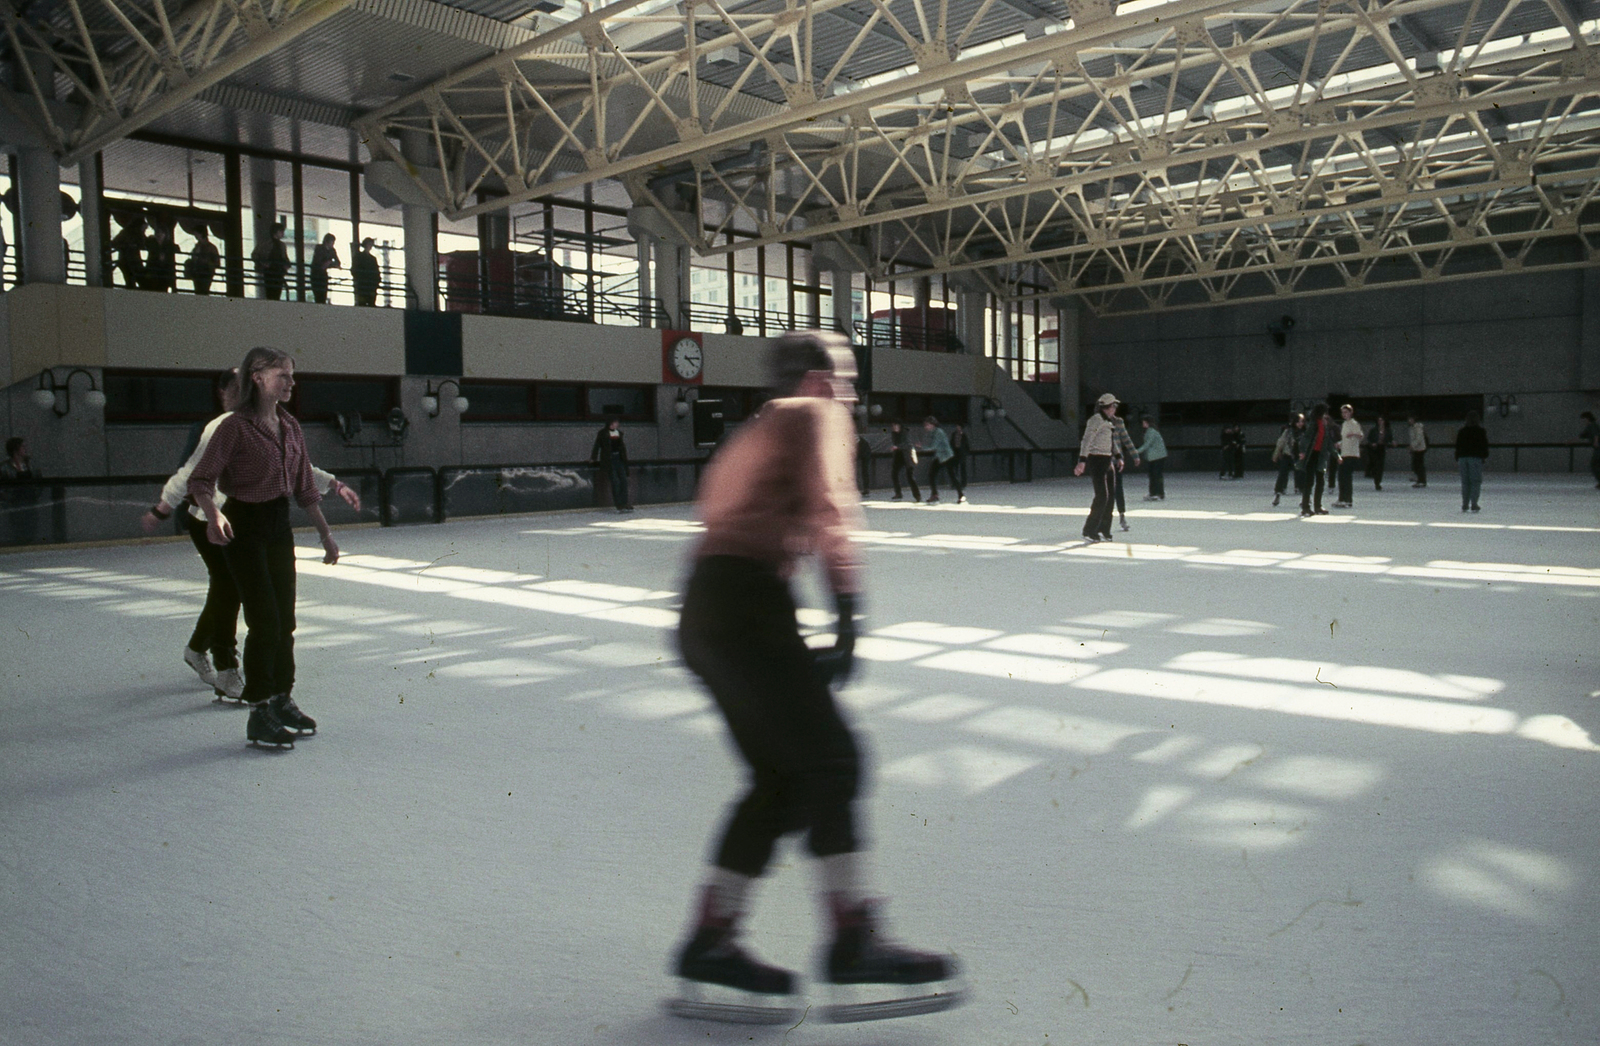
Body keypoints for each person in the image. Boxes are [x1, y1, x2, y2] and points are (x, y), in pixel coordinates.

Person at [669, 330, 957, 1024]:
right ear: (819, 380)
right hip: (748, 609)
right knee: (832, 763)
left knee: (780, 783)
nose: (849, 395)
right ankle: (851, 938)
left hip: (710, 611)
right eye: (845, 380)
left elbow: (729, 518)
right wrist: (850, 615)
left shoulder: (756, 429)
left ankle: (712, 939)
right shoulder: (813, 417)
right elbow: (832, 513)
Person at [142, 373, 360, 701]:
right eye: (235, 389)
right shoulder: (223, 426)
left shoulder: (267, 425)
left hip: (247, 523)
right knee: (230, 589)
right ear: (223, 393)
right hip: (209, 521)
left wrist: (334, 483)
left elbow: (296, 466)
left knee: (233, 589)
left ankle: (198, 648)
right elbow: (188, 474)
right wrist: (160, 510)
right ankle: (226, 668)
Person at [187, 347, 339, 748]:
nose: (291, 383)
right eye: (283, 376)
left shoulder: (289, 426)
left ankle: (282, 698)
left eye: (292, 375)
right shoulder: (234, 427)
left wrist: (325, 534)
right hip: (245, 526)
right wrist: (215, 515)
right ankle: (258, 711)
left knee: (285, 621)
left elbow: (305, 487)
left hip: (278, 525)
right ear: (257, 378)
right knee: (264, 622)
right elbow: (201, 480)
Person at [1074, 392, 1122, 541]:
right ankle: (1089, 530)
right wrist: (1082, 460)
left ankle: (1103, 528)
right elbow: (1086, 440)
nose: (1115, 408)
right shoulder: (1095, 420)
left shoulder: (1108, 421)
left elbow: (1110, 442)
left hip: (1108, 461)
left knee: (1111, 496)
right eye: (1113, 406)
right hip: (1097, 460)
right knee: (1102, 496)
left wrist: (1118, 456)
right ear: (1107, 407)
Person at [2, 436, 42, 543]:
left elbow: (39, 482)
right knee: (18, 528)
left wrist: (36, 495)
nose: (25, 449)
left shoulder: (31, 465)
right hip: (15, 503)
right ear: (16, 449)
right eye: (23, 447)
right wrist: (8, 498)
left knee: (32, 528)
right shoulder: (5, 468)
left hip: (31, 501)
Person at [1298, 403, 1333, 517]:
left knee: (1320, 481)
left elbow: (1328, 441)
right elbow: (1306, 438)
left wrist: (1335, 454)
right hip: (1312, 454)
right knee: (1309, 481)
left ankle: (1317, 506)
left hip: (1321, 455)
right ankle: (1305, 507)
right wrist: (1302, 451)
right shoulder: (1313, 424)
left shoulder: (1324, 424)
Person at [591, 418, 632, 512]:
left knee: (623, 481)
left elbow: (622, 448)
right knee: (615, 482)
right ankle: (619, 504)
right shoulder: (603, 433)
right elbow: (597, 446)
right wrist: (593, 457)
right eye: (615, 422)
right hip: (609, 460)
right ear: (611, 423)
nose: (617, 424)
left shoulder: (619, 433)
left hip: (619, 458)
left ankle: (624, 502)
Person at [1109, 407, 1140, 531]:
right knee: (1104, 491)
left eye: (1114, 408)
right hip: (1103, 461)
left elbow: (1126, 439)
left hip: (1116, 461)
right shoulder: (1098, 421)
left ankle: (1122, 516)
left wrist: (1135, 455)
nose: (1113, 410)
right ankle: (1103, 520)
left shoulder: (1118, 422)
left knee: (1118, 489)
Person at [916, 416, 957, 504]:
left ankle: (960, 495)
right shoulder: (933, 433)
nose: (925, 427)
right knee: (932, 474)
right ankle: (935, 495)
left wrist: (922, 447)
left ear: (932, 425)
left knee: (951, 476)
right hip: (940, 456)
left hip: (946, 456)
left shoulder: (938, 432)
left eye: (927, 425)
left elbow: (933, 446)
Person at [1455, 410, 1489, 512]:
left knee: (1465, 482)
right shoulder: (1481, 431)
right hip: (1475, 458)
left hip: (1462, 458)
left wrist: (1458, 457)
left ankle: (1465, 504)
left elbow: (1458, 445)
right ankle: (1474, 504)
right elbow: (1484, 445)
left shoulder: (1462, 431)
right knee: (1475, 482)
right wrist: (1484, 456)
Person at [1272, 413, 1304, 507]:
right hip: (1288, 455)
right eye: (1298, 422)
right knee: (1282, 473)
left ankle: (1303, 495)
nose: (1300, 424)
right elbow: (1280, 443)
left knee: (1300, 475)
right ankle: (1279, 492)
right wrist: (1276, 454)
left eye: (1302, 421)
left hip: (1299, 456)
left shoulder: (1304, 432)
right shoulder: (1288, 431)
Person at [1333, 404, 1361, 508]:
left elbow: (1360, 435)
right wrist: (1339, 444)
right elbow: (1344, 438)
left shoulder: (1354, 423)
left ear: (1350, 412)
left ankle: (1348, 500)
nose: (1344, 414)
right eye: (1342, 412)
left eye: (1346, 412)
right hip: (1344, 453)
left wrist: (1353, 434)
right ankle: (1341, 498)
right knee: (1341, 477)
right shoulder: (1344, 424)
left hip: (1351, 454)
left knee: (1347, 477)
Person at [253, 222, 290, 300]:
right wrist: (263, 263)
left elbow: (285, 258)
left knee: (275, 293)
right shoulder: (266, 244)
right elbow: (255, 255)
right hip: (270, 271)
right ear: (276, 232)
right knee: (271, 292)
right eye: (281, 231)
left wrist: (287, 265)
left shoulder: (281, 245)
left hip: (278, 271)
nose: (282, 233)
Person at [889, 421, 920, 502]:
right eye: (893, 426)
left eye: (895, 425)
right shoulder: (894, 434)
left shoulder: (905, 433)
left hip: (907, 456)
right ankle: (898, 493)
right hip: (898, 456)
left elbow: (908, 444)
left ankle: (917, 495)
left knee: (910, 476)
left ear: (899, 426)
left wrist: (897, 447)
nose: (894, 428)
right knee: (894, 474)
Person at [1136, 416, 1167, 500]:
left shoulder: (1151, 432)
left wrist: (1136, 451)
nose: (1143, 424)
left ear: (1148, 423)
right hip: (1156, 456)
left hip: (1156, 457)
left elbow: (1147, 444)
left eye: (1144, 422)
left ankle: (1156, 493)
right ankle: (1156, 493)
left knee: (1155, 475)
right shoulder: (1150, 431)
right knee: (1155, 475)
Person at [184, 228, 221, 296]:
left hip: (206, 272)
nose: (195, 236)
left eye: (197, 234)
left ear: (201, 234)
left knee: (203, 290)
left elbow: (216, 261)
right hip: (197, 272)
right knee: (198, 290)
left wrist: (205, 261)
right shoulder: (198, 246)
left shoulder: (210, 247)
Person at [310, 233, 341, 304]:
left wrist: (329, 263)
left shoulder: (332, 250)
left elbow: (338, 263)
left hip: (323, 274)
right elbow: (319, 262)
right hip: (316, 274)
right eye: (332, 242)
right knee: (318, 295)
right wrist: (329, 263)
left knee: (323, 294)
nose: (333, 244)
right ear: (327, 241)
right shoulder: (319, 248)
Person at [352, 237, 381, 306]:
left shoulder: (371, 258)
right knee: (364, 303)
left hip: (368, 284)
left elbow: (376, 271)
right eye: (369, 244)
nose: (370, 246)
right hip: (364, 284)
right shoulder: (361, 257)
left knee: (369, 303)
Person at [1365, 415, 1391, 491]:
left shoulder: (1387, 430)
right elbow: (1369, 439)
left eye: (1381, 420)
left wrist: (1390, 442)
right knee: (1375, 464)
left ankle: (1378, 481)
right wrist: (1372, 443)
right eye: (1379, 420)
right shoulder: (1374, 430)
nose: (1380, 422)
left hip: (1381, 448)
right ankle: (1376, 479)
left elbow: (1390, 438)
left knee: (1380, 465)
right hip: (1374, 449)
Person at [950, 423, 971, 503]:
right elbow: (952, 442)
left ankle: (963, 483)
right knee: (954, 469)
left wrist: (966, 452)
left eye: (959, 426)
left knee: (962, 468)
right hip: (955, 453)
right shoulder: (954, 434)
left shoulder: (964, 435)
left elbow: (966, 445)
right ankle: (954, 483)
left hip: (961, 453)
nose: (957, 428)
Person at [1580, 411, 1600, 490]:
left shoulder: (1592, 425)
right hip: (1597, 448)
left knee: (1594, 464)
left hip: (1598, 448)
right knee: (1596, 464)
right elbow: (1582, 435)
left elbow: (1596, 434)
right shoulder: (1589, 427)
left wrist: (1595, 442)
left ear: (1587, 418)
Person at [1407, 415, 1428, 487]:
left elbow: (1419, 438)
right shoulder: (1411, 428)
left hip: (1420, 449)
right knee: (1415, 465)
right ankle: (1419, 478)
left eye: (1411, 419)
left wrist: (1412, 446)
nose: (1409, 421)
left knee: (1419, 465)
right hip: (1416, 449)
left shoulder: (1417, 427)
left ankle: (1422, 480)